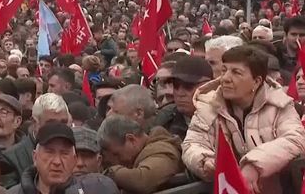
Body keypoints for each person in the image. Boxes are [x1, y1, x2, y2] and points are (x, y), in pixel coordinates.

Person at [183, 45, 305, 194]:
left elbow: (295, 139)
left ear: (256, 81)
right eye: (224, 70)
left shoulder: (279, 105)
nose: (226, 78)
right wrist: (205, 161)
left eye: (236, 73)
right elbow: (192, 144)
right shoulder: (208, 105)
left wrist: (254, 164)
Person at [6, 123, 118, 194]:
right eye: (49, 152)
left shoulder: (98, 189)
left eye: (64, 153)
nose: (57, 162)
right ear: (35, 157)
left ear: (74, 160)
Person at [98, 115, 182, 194]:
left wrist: (111, 174)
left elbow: (144, 181)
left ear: (131, 140)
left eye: (117, 154)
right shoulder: (145, 151)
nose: (117, 161)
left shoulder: (161, 150)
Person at [2, 93, 70, 188]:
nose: (58, 128)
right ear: (35, 123)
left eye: (63, 122)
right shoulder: (10, 159)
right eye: (51, 123)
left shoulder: (75, 152)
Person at [154, 56, 214, 140]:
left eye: (188, 86)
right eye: (176, 85)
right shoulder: (164, 120)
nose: (180, 93)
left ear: (209, 85)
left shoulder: (225, 120)